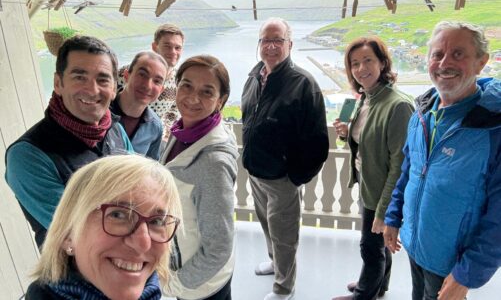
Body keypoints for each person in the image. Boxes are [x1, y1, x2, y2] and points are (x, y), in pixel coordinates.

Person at [384, 21, 501, 300]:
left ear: (481, 63)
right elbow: (409, 172)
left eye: (458, 54)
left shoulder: (493, 130)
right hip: (416, 247)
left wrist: (466, 275)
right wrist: (393, 216)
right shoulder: (422, 114)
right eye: (437, 55)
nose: (445, 63)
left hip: (452, 262)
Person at [5, 35, 133, 248]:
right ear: (58, 83)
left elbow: (139, 189)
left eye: (103, 79)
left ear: (113, 88)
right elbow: (80, 232)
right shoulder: (28, 155)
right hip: (73, 278)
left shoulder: (115, 130)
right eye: (79, 77)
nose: (92, 90)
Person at [241, 17, 329, 300]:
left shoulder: (303, 84)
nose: (271, 46)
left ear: (290, 44)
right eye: (266, 40)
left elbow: (317, 141)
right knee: (267, 225)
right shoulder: (254, 77)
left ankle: (284, 288)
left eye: (277, 40)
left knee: (284, 235)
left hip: (282, 178)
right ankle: (276, 264)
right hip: (256, 171)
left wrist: (295, 177)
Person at [25, 154, 182, 300]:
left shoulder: (152, 291)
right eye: (118, 215)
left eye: (157, 221)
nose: (143, 243)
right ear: (68, 234)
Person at [331, 37, 414, 300]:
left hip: (382, 192)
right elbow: (368, 139)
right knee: (378, 244)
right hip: (368, 184)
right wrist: (347, 132)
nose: (360, 68)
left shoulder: (398, 105)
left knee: (370, 245)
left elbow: (400, 165)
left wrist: (384, 211)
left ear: (382, 63)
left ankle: (365, 294)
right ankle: (379, 285)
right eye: (354, 63)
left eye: (368, 60)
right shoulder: (366, 99)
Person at [160, 55, 238, 300]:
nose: (193, 98)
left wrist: (175, 285)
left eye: (207, 91)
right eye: (187, 85)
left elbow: (218, 248)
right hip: (186, 266)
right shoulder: (182, 131)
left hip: (200, 284)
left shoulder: (213, 163)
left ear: (220, 100)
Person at [118, 24, 185, 140]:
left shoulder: (180, 80)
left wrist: (164, 131)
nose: (173, 52)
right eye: (167, 46)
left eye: (177, 48)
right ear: (155, 46)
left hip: (150, 137)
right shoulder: (129, 72)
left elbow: (174, 110)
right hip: (117, 131)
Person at [110, 51, 168, 159]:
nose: (148, 86)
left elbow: (149, 167)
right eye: (142, 75)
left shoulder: (155, 127)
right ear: (126, 76)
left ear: (161, 90)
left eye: (157, 81)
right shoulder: (101, 110)